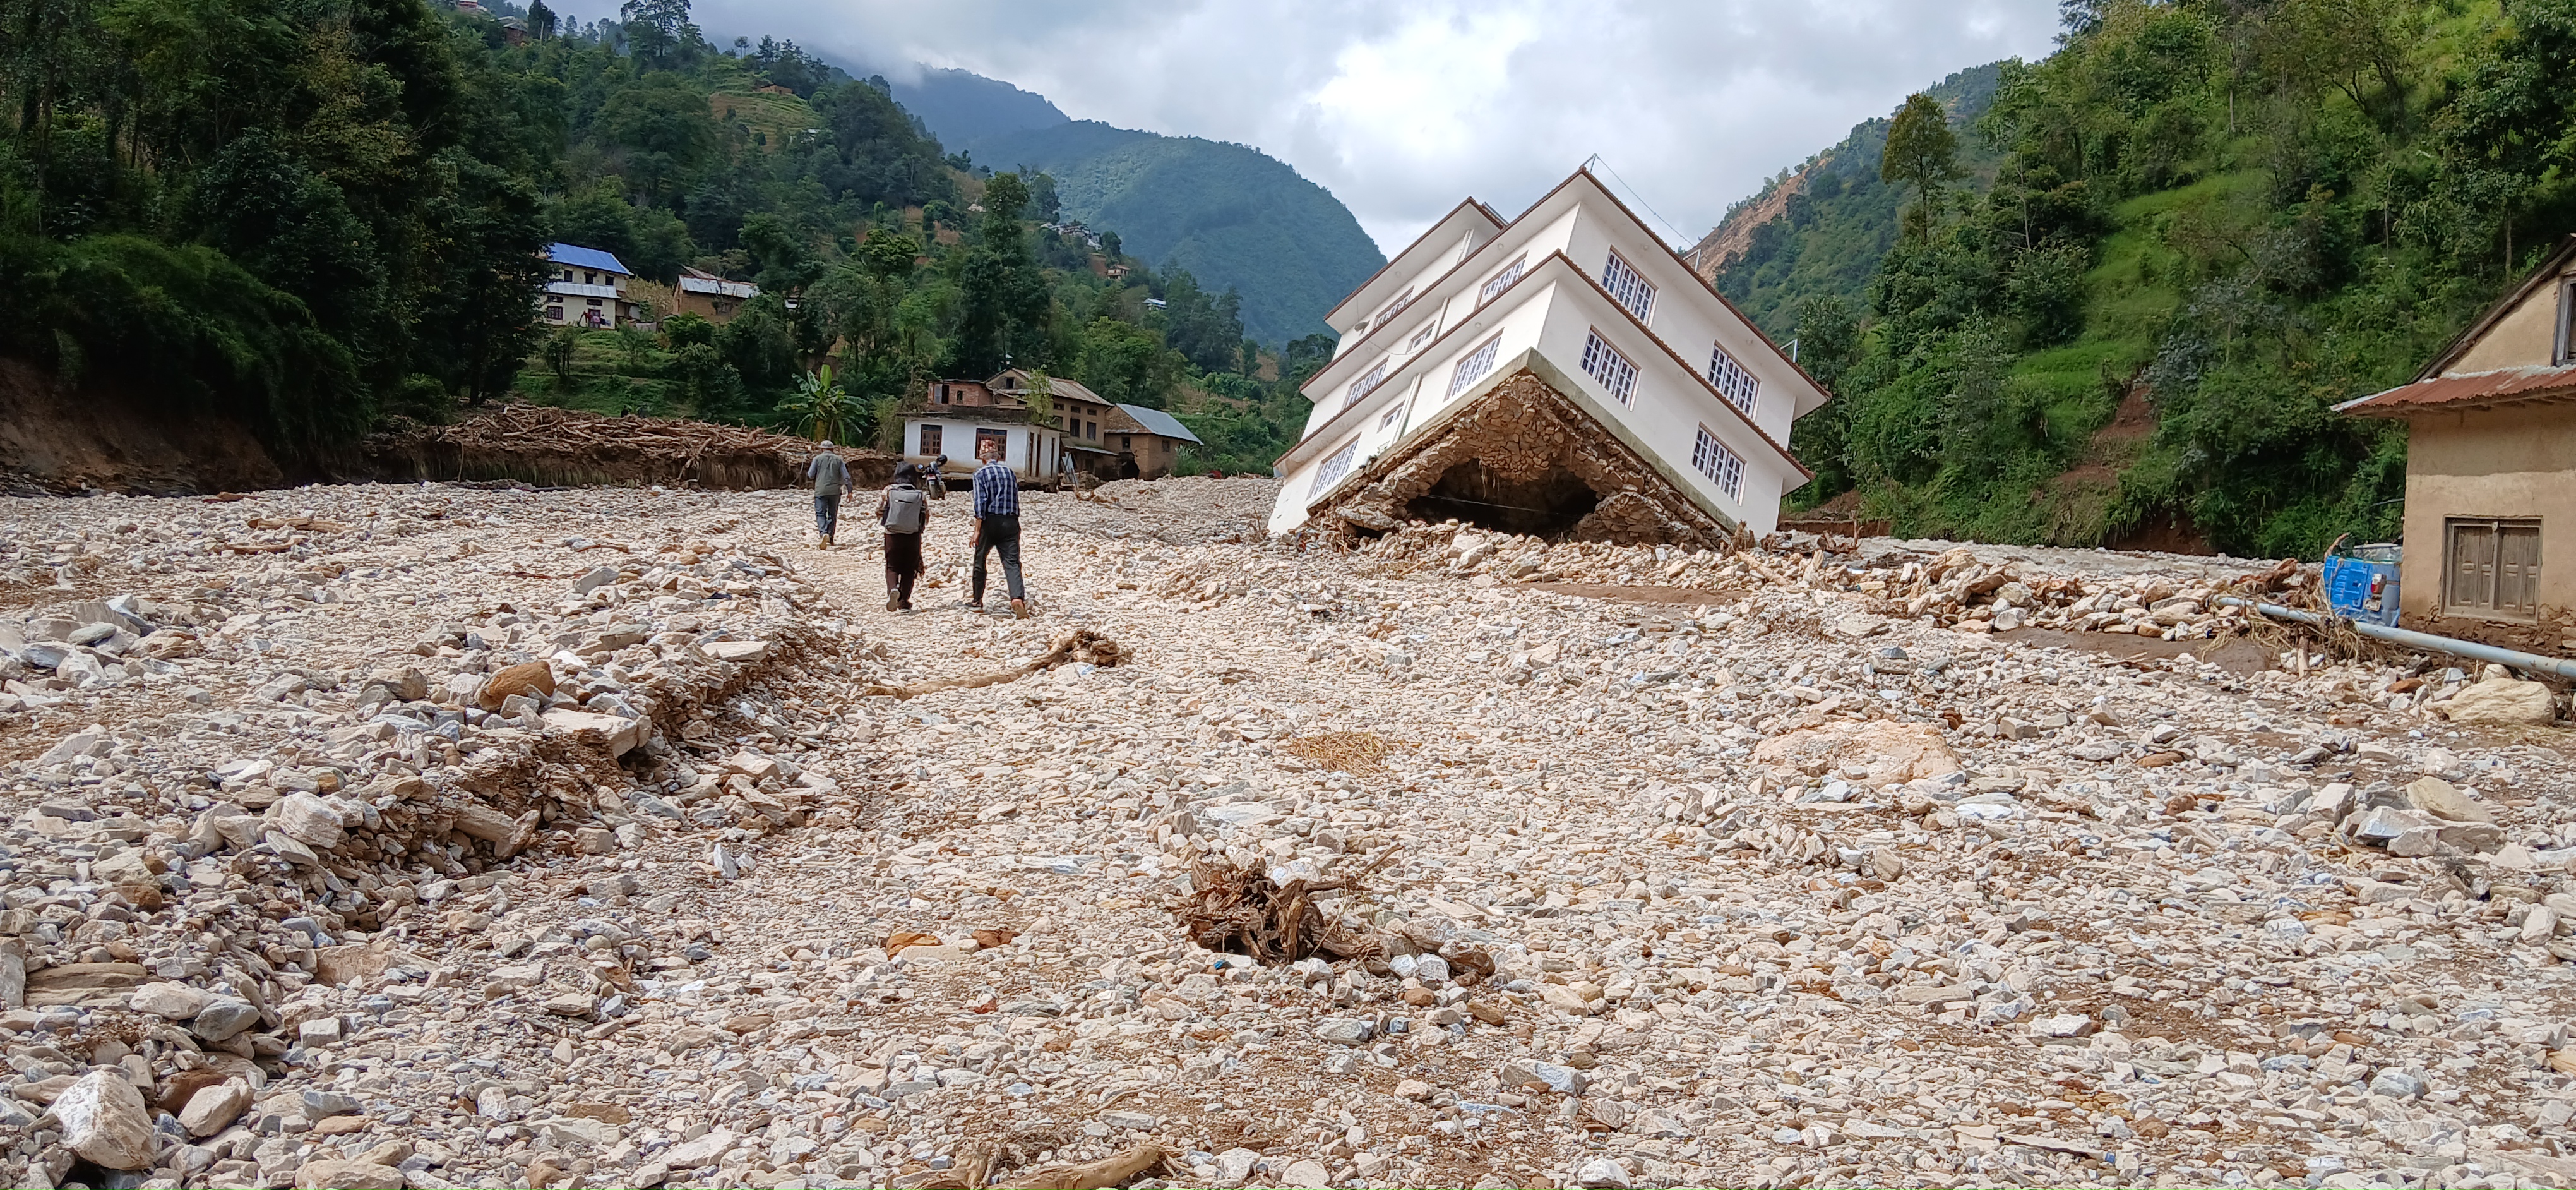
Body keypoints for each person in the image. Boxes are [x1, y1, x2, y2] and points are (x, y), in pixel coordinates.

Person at [967, 438, 1029, 618]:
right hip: (1010, 521)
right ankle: (1017, 599)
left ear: (982, 457)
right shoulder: (1010, 472)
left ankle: (977, 601)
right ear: (998, 456)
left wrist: (977, 531)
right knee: (1012, 562)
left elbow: (980, 504)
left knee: (980, 560)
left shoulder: (980, 474)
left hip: (990, 522)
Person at [875, 462, 929, 611]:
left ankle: (893, 589)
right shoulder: (920, 494)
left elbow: (879, 510)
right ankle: (904, 601)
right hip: (913, 536)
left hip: (893, 534)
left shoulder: (889, 491)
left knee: (892, 566)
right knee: (909, 569)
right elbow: (926, 516)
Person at [806, 440, 849, 548]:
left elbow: (811, 475)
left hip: (821, 490)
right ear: (833, 449)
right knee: (832, 514)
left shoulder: (817, 459)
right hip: (835, 491)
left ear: (822, 449)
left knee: (820, 513)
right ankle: (830, 538)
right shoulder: (839, 460)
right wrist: (850, 490)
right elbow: (846, 477)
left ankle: (823, 533)